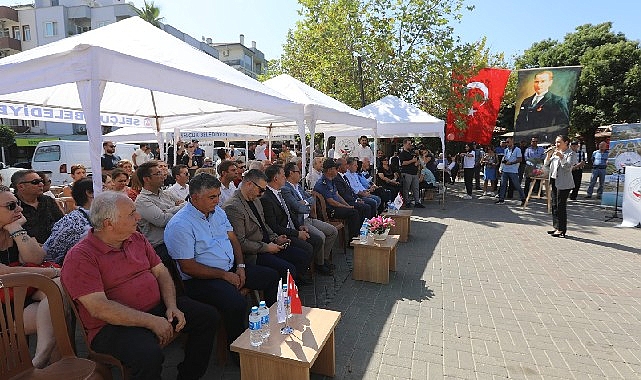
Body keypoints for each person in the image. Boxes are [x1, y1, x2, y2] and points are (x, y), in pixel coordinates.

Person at [61, 191, 218, 380]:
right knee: (148, 355)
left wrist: (172, 306)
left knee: (207, 317)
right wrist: (152, 322)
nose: (139, 216)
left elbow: (161, 272)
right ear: (108, 224)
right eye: (131, 214)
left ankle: (188, 376)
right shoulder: (81, 257)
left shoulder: (135, 238)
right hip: (112, 326)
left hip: (156, 309)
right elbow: (99, 308)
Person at [164, 173, 280, 346]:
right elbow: (188, 267)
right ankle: (238, 348)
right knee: (236, 303)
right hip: (200, 280)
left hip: (230, 267)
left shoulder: (216, 211)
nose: (217, 200)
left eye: (218, 195)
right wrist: (224, 276)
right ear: (195, 197)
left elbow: (233, 239)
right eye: (212, 197)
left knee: (272, 277)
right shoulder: (180, 225)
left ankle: (273, 327)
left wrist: (240, 266)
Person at [0, 185, 62, 368]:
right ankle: (49, 366)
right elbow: (4, 273)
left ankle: (42, 363)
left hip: (21, 296)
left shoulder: (13, 229)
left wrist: (16, 229)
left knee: (58, 290)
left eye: (17, 203)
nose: (19, 209)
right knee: (58, 316)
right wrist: (53, 272)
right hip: (3, 310)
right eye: (11, 206)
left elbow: (35, 258)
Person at [222, 169, 312, 282]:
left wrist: (276, 238)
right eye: (260, 190)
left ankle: (292, 288)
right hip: (254, 253)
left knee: (302, 255)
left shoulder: (256, 200)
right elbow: (241, 242)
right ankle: (282, 295)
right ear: (249, 184)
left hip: (268, 244)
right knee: (287, 270)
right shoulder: (233, 207)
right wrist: (267, 247)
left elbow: (264, 225)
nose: (262, 194)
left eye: (264, 190)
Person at [260, 165, 317, 283]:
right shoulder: (267, 198)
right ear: (275, 178)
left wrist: (299, 226)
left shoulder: (280, 192)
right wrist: (297, 233)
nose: (285, 178)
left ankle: (302, 271)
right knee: (307, 248)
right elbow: (274, 226)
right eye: (282, 176)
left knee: (316, 240)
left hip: (290, 228)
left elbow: (289, 213)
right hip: (282, 233)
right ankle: (296, 277)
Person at [281, 162, 337, 276]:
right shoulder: (286, 188)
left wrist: (304, 203)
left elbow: (311, 198)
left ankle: (324, 259)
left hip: (309, 218)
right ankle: (319, 264)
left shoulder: (298, 186)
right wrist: (306, 204)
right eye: (298, 171)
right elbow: (297, 208)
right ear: (291, 173)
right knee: (320, 236)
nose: (300, 173)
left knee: (332, 231)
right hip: (301, 221)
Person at [134, 161, 185, 261]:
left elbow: (185, 205)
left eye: (162, 172)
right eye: (158, 174)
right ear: (147, 179)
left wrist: (167, 211)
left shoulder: (166, 194)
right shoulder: (142, 201)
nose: (163, 176)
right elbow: (162, 220)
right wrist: (179, 208)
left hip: (177, 239)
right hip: (161, 246)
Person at [44, 178, 94, 265]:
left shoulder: (109, 216)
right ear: (89, 193)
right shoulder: (72, 221)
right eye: (104, 188)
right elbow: (49, 254)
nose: (109, 190)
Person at [11, 170, 63, 243]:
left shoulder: (48, 200)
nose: (41, 184)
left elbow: (62, 224)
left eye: (41, 181)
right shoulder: (11, 207)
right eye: (35, 182)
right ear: (21, 186)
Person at [314, 159, 361, 238]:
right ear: (329, 170)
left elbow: (338, 196)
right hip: (330, 210)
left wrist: (347, 205)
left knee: (356, 208)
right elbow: (332, 202)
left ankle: (357, 234)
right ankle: (353, 239)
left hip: (336, 207)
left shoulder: (331, 180)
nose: (337, 170)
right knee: (353, 213)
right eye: (335, 168)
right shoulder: (322, 183)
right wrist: (347, 207)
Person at [514, 70, 570, 138]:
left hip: (546, 141)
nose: (539, 85)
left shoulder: (558, 101)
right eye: (536, 82)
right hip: (527, 141)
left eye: (543, 81)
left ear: (550, 83)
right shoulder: (526, 101)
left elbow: (562, 125)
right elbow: (519, 123)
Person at [544, 135, 576, 238]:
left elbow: (567, 167)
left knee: (561, 206)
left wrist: (562, 156)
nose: (556, 144)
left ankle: (562, 229)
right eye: (556, 142)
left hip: (564, 183)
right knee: (554, 205)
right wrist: (548, 156)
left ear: (566, 143)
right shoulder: (555, 152)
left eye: (559, 142)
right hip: (554, 180)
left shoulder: (571, 153)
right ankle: (556, 227)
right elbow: (546, 165)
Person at [495, 137, 526, 206]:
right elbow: (504, 158)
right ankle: (501, 199)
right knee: (503, 185)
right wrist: (501, 167)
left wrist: (511, 163)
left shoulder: (517, 150)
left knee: (517, 185)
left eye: (508, 142)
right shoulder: (506, 150)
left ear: (512, 142)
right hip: (505, 170)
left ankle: (523, 199)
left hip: (513, 170)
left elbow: (520, 159)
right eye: (506, 142)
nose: (507, 143)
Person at [398, 139, 424, 208]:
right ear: (404, 144)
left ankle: (417, 202)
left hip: (414, 173)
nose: (410, 145)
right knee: (406, 188)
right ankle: (407, 202)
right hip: (407, 173)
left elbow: (417, 161)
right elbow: (403, 163)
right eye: (409, 144)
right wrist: (412, 161)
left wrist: (416, 163)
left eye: (410, 144)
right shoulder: (402, 153)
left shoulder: (412, 153)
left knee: (416, 188)